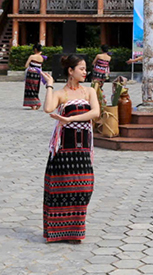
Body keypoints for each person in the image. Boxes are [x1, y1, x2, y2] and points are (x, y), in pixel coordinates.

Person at [42, 54, 100, 243]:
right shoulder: (61, 93)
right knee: (61, 189)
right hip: (64, 149)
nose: (85, 72)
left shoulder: (89, 91)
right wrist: (50, 85)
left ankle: (76, 231)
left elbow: (95, 112)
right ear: (70, 71)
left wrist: (70, 119)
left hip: (83, 148)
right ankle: (58, 232)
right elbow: (48, 108)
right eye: (81, 69)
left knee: (83, 188)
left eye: (85, 69)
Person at [23, 45, 46, 110]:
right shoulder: (42, 58)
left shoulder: (32, 56)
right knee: (35, 89)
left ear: (35, 49)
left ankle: (34, 104)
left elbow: (26, 65)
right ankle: (36, 102)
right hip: (37, 74)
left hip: (31, 74)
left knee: (30, 89)